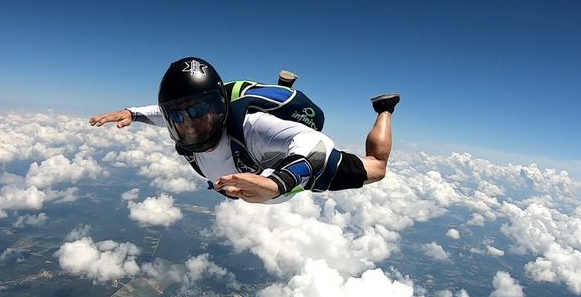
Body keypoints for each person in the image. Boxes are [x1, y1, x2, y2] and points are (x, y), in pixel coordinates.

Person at [89, 57, 399, 204]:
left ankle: (385, 108)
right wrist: (131, 113)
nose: (189, 123)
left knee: (376, 169)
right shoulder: (184, 120)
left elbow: (314, 142)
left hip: (284, 171)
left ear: (221, 107)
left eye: (199, 111)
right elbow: (165, 113)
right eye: (178, 116)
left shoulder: (249, 129)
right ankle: (283, 86)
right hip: (259, 167)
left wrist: (280, 182)